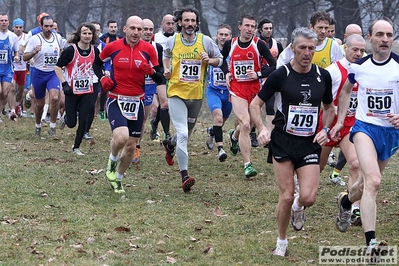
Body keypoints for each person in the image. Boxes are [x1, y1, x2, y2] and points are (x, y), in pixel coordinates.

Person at [250, 27, 334, 257]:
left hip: (309, 143)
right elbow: (255, 104)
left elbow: (329, 108)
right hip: (283, 141)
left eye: (311, 48)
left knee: (308, 197)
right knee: (286, 196)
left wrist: (326, 129)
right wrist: (261, 127)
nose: (307, 53)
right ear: (292, 49)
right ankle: (282, 241)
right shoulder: (281, 74)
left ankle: (299, 207)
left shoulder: (322, 75)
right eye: (302, 48)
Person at [330, 18, 399, 252]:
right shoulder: (359, 67)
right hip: (364, 128)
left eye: (389, 35)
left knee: (363, 182)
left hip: (390, 133)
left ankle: (346, 201)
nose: (385, 39)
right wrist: (341, 121)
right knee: (375, 181)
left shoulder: (398, 66)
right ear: (370, 38)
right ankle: (371, 242)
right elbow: (345, 92)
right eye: (380, 34)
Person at [162, 6, 223, 192]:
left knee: (185, 134)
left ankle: (169, 144)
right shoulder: (173, 40)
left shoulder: (205, 41)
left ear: (196, 23)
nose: (190, 24)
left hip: (196, 96)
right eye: (186, 20)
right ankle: (184, 176)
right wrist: (166, 69)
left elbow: (220, 59)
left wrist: (209, 60)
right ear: (179, 22)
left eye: (193, 21)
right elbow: (165, 55)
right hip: (176, 93)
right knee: (183, 133)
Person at [100, 15, 163, 193]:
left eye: (139, 29)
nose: (136, 32)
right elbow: (97, 64)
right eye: (133, 28)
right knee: (121, 137)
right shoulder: (113, 47)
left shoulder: (149, 50)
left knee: (131, 146)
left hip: (138, 101)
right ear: (125, 29)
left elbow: (160, 77)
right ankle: (112, 160)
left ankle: (118, 179)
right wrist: (103, 78)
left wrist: (150, 71)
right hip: (116, 98)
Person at [221, 14, 276, 178]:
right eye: (247, 26)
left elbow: (273, 66)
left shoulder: (259, 45)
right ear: (240, 27)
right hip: (237, 88)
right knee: (245, 124)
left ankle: (234, 136)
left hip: (255, 90)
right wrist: (227, 73)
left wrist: (258, 74)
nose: (250, 29)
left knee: (248, 126)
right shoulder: (230, 44)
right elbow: (222, 60)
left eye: (252, 26)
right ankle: (247, 165)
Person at [54, 23, 103, 155]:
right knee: (71, 123)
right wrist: (64, 84)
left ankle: (76, 147)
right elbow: (58, 67)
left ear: (93, 36)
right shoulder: (71, 50)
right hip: (72, 90)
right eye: (84, 33)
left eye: (89, 33)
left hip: (88, 90)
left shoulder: (95, 51)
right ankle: (65, 117)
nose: (87, 36)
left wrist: (103, 76)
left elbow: (97, 68)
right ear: (79, 35)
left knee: (84, 119)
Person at [23, 15, 65, 137]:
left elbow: (62, 51)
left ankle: (52, 126)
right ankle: (38, 125)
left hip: (53, 73)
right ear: (41, 26)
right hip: (38, 73)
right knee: (40, 103)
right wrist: (34, 52)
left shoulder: (57, 37)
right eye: (46, 26)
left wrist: (62, 63)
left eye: (51, 26)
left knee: (55, 98)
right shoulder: (34, 39)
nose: (48, 28)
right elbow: (25, 57)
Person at [132, 18, 166, 165]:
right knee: (130, 118)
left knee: (142, 119)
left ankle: (136, 149)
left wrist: (154, 74)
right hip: (132, 86)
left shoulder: (157, 47)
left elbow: (159, 71)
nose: (147, 32)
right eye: (144, 29)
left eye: (150, 29)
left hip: (149, 86)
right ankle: (126, 143)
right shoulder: (131, 45)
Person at [277, 11, 343, 69]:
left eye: (326, 28)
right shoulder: (299, 44)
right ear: (311, 26)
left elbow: (340, 70)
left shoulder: (333, 45)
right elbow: (280, 64)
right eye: (320, 27)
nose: (323, 31)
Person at [205, 23, 232, 162]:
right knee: (218, 118)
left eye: (226, 35)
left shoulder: (233, 52)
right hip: (213, 91)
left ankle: (212, 131)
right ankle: (220, 149)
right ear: (216, 35)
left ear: (230, 37)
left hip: (228, 93)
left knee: (221, 122)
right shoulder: (211, 50)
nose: (223, 37)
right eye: (221, 34)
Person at [255, 18, 284, 138]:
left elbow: (282, 61)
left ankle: (269, 134)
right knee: (254, 108)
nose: (268, 31)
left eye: (270, 28)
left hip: (271, 79)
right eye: (266, 28)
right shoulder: (255, 43)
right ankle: (251, 131)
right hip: (256, 79)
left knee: (270, 106)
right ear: (260, 30)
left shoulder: (277, 44)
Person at [150, 14, 174, 141]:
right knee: (163, 104)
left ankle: (155, 123)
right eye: (168, 23)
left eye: (172, 24)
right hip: (158, 74)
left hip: (173, 75)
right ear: (162, 24)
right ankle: (167, 133)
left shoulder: (178, 38)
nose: (170, 26)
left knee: (164, 104)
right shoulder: (156, 37)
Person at [0, 14, 20, 122]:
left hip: (7, 69)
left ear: (8, 22)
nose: (3, 22)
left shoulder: (13, 36)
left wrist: (16, 56)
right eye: (1, 20)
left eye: (5, 20)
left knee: (5, 92)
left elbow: (16, 50)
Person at [10, 18, 27, 118]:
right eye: (16, 27)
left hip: (22, 67)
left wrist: (23, 49)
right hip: (12, 68)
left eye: (20, 27)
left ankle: (17, 105)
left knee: (21, 91)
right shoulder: (10, 36)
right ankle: (12, 110)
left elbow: (29, 50)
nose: (18, 29)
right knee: (12, 89)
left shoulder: (26, 37)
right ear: (13, 27)